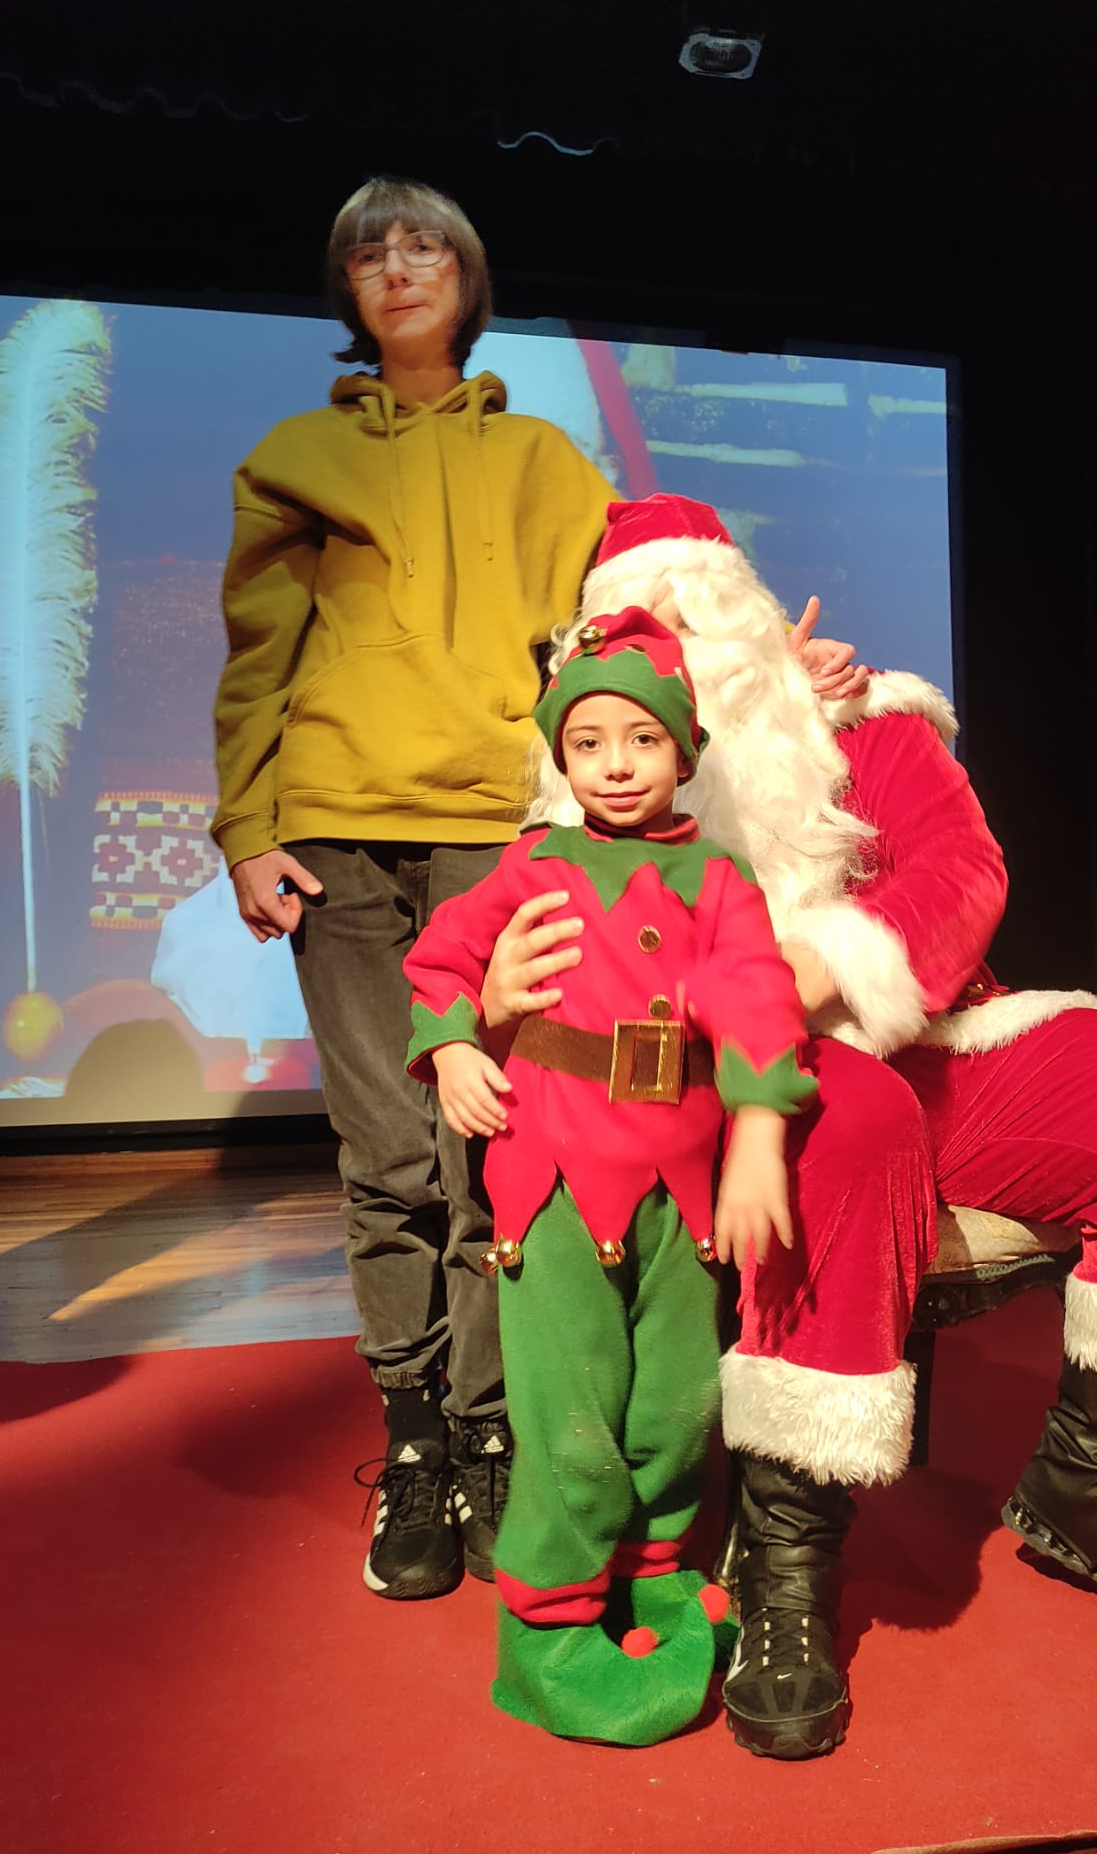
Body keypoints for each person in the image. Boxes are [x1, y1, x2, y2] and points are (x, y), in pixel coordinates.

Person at [484, 493, 1097, 1762]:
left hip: (935, 1036)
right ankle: (786, 1562)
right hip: (742, 1086)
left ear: (748, 616)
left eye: (706, 609)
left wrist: (825, 964)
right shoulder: (591, 792)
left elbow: (963, 871)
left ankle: (1094, 1482)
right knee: (846, 1125)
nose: (688, 639)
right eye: (653, 620)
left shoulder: (863, 719)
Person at [211, 177, 618, 1600]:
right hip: (334, 836)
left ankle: (493, 1429)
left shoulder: (550, 462)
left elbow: (618, 629)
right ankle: (416, 1443)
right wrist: (246, 830)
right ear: (347, 288)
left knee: (487, 1153)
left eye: (425, 243)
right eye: (370, 250)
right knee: (387, 1160)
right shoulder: (297, 455)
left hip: (491, 838)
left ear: (468, 277)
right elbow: (257, 656)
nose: (398, 265)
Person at [403, 606, 815, 1745]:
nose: (615, 762)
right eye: (587, 741)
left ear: (685, 749)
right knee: (571, 1415)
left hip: (679, 1194)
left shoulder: (716, 875)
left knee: (677, 1404)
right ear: (560, 755)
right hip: (550, 1184)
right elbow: (440, 955)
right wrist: (449, 1044)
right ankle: (548, 1623)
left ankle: (653, 1569)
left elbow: (755, 1000)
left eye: (640, 737)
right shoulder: (535, 859)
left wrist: (758, 1138)